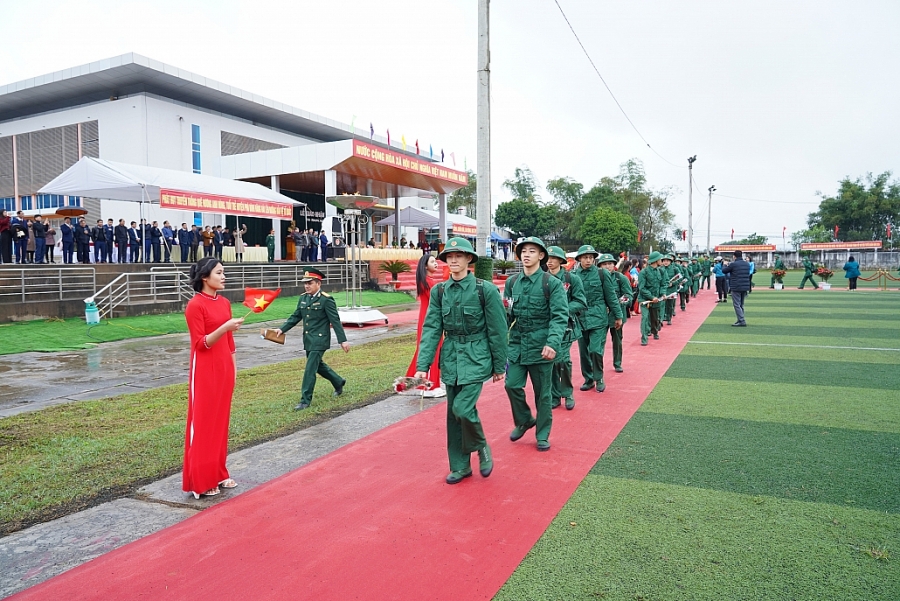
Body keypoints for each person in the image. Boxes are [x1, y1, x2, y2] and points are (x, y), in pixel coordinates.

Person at [415, 238, 507, 484]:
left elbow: (498, 330)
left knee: (462, 409)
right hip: (451, 357)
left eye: (459, 256)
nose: (453, 260)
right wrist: (423, 366)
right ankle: (460, 466)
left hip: (477, 356)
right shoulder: (440, 291)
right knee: (453, 416)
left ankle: (482, 446)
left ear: (469, 260)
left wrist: (500, 365)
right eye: (449, 256)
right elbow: (432, 328)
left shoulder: (484, 289)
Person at [182, 256, 244, 499]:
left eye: (224, 272)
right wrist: (224, 327)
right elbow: (201, 344)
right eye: (219, 273)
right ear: (205, 278)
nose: (223, 276)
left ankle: (218, 472)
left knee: (220, 423)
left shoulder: (225, 302)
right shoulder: (195, 306)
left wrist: (234, 370)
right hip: (205, 371)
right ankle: (200, 480)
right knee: (205, 423)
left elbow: (230, 344)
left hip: (224, 369)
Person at [503, 237, 568, 452]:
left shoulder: (552, 283)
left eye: (532, 251)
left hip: (542, 347)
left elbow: (559, 316)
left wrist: (552, 343)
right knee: (512, 384)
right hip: (518, 345)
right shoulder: (512, 283)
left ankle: (542, 434)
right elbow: (506, 315)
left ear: (541, 256)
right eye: (523, 251)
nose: (526, 254)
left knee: (543, 394)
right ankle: (524, 420)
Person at [273, 268, 350, 410]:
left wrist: (342, 340)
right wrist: (282, 329)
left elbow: (336, 321)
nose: (307, 286)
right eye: (305, 283)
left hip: (320, 340)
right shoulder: (303, 298)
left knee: (310, 368)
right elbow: (296, 316)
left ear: (318, 284)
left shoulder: (326, 300)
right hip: (308, 339)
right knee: (318, 366)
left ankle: (305, 400)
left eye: (310, 283)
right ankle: (338, 381)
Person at [572, 244, 623, 393]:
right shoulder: (573, 275)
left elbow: (611, 296)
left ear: (594, 259)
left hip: (599, 317)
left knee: (595, 350)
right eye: (585, 257)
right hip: (580, 318)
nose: (588, 260)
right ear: (579, 259)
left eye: (590, 257)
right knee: (583, 352)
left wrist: (618, 315)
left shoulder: (602, 274)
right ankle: (588, 379)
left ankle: (598, 377)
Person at [546, 245, 586, 411]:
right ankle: (554, 395)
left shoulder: (571, 278)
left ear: (561, 261)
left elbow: (581, 302)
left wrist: (562, 309)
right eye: (547, 258)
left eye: (554, 258)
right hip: (546, 327)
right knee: (550, 362)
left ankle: (568, 393)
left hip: (566, 327)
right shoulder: (542, 278)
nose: (550, 261)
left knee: (562, 360)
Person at [405, 253, 446, 398]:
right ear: (425, 266)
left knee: (427, 350)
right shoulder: (429, 283)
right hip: (430, 320)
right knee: (432, 350)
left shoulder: (428, 281)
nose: (436, 264)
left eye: (436, 261)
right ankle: (429, 386)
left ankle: (416, 382)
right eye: (433, 262)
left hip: (428, 317)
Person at [599, 253, 633, 373]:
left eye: (610, 264)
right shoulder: (597, 277)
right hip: (600, 315)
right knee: (598, 343)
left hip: (616, 315)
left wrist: (618, 304)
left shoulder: (620, 278)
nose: (607, 266)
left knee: (617, 340)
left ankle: (617, 363)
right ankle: (598, 367)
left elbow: (628, 295)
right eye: (604, 264)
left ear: (614, 265)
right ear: (600, 266)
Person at [638, 251, 665, 346]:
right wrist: (651, 297)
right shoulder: (643, 272)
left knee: (655, 318)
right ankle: (644, 338)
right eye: (660, 259)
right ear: (656, 260)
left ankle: (655, 331)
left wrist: (663, 294)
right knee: (645, 318)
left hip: (656, 299)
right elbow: (642, 288)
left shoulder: (660, 271)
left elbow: (663, 284)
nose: (662, 261)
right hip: (645, 300)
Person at [722, 250, 750, 327]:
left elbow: (724, 271)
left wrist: (725, 265)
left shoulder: (733, 264)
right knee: (741, 304)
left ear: (734, 256)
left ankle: (741, 320)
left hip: (736, 286)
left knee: (736, 304)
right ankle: (740, 319)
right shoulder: (747, 264)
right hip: (745, 286)